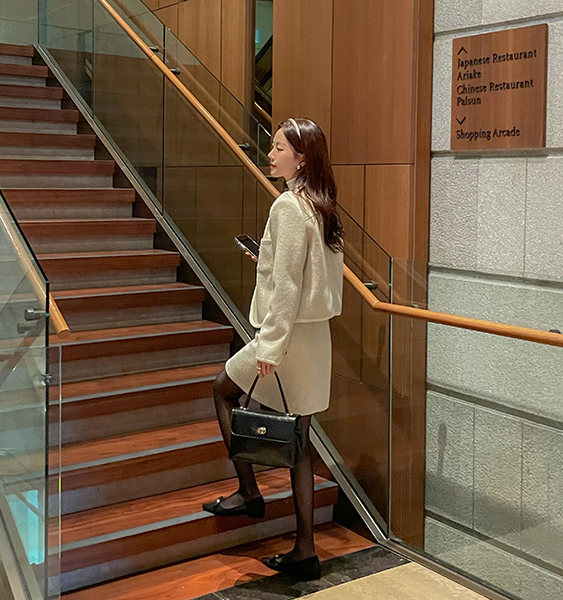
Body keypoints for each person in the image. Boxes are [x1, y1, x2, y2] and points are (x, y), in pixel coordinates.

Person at [202, 117, 344, 581]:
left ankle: (248, 490)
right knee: (299, 440)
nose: (270, 154)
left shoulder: (287, 205)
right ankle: (305, 550)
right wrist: (266, 259)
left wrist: (271, 345)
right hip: (314, 338)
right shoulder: (321, 204)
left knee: (223, 389)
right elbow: (307, 274)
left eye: (280, 148)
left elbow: (287, 286)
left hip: (287, 336)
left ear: (301, 158)